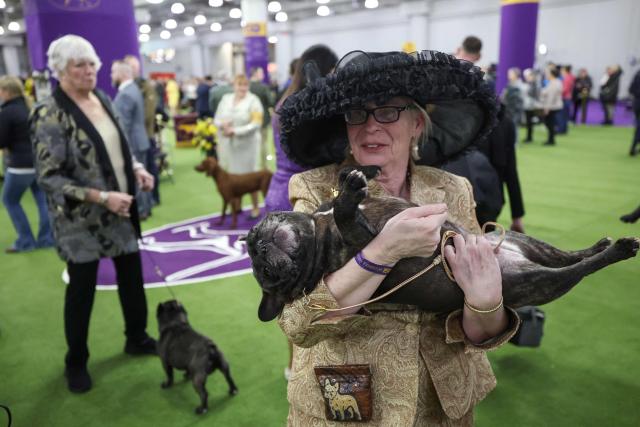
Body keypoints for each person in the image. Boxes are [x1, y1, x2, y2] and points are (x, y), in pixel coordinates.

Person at [277, 50, 519, 425]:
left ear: (417, 124)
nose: (370, 126)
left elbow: (475, 331)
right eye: (357, 113)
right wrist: (384, 250)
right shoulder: (315, 191)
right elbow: (299, 324)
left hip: (441, 407)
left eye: (388, 110)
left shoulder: (453, 191)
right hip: (347, 407)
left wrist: (486, 302)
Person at [30, 35, 157, 394]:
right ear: (59, 71)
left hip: (120, 211)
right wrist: (101, 196)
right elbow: (49, 177)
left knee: (132, 279)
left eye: (91, 64)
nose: (88, 71)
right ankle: (76, 361)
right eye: (79, 66)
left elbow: (118, 146)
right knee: (82, 291)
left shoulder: (102, 98)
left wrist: (134, 168)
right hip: (78, 223)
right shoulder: (47, 113)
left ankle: (136, 337)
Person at [264, 44, 338, 380]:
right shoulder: (310, 107)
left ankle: (293, 364)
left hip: (277, 196)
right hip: (304, 200)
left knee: (290, 290)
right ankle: (302, 364)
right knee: (312, 288)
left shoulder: (283, 103)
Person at [0, 75, 54, 253]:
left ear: (6, 91)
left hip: (19, 165)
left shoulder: (7, 112)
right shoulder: (30, 107)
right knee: (42, 199)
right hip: (38, 162)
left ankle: (26, 241)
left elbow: (2, 140)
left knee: (9, 200)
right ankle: (46, 238)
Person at [214, 74, 264, 218]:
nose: (242, 88)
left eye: (245, 85)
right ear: (234, 85)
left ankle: (255, 207)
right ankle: (236, 206)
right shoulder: (225, 99)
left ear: (248, 86)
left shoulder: (254, 100)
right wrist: (223, 125)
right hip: (229, 146)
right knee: (233, 177)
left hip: (248, 146)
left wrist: (235, 131)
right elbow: (217, 119)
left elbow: (256, 123)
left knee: (250, 176)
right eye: (239, 85)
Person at [111, 60, 153, 220]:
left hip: (133, 142)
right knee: (143, 178)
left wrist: (122, 146)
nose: (111, 75)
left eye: (113, 72)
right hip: (140, 139)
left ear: (122, 74)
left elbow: (123, 126)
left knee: (138, 179)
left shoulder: (126, 93)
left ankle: (141, 210)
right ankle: (146, 208)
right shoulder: (134, 89)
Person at [124, 54, 161, 205]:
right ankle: (150, 200)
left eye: (133, 67)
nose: (131, 70)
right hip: (139, 135)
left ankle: (154, 198)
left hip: (146, 135)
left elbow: (148, 113)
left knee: (150, 168)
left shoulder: (146, 86)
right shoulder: (132, 87)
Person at [249, 67, 275, 169]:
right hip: (262, 119)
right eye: (261, 73)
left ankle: (251, 166)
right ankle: (264, 166)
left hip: (249, 119)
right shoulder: (263, 87)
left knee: (251, 143)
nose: (263, 75)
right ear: (256, 74)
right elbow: (271, 102)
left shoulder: (247, 86)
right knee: (263, 143)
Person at [540, 66, 563, 145]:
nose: (546, 75)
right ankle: (551, 139)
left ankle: (551, 140)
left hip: (552, 107)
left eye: (547, 73)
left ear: (552, 74)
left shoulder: (554, 83)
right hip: (553, 106)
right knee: (550, 123)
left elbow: (551, 97)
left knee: (550, 123)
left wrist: (547, 108)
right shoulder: (554, 82)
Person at [522, 68, 541, 142]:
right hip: (527, 105)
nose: (527, 77)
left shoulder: (534, 84)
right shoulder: (528, 83)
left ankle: (529, 137)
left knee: (530, 122)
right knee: (528, 121)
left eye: (528, 76)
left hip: (531, 105)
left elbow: (534, 95)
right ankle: (528, 137)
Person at [557, 65, 575, 134]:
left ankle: (561, 130)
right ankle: (564, 129)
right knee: (565, 115)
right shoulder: (570, 77)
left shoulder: (566, 78)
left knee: (561, 115)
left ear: (565, 71)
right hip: (568, 98)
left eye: (562, 70)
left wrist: (558, 92)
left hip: (564, 98)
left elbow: (565, 89)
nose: (561, 72)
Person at [628, 68, 640, 156]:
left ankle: (633, 146)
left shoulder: (637, 73)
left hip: (637, 103)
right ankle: (633, 147)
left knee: (638, 126)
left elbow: (631, 89)